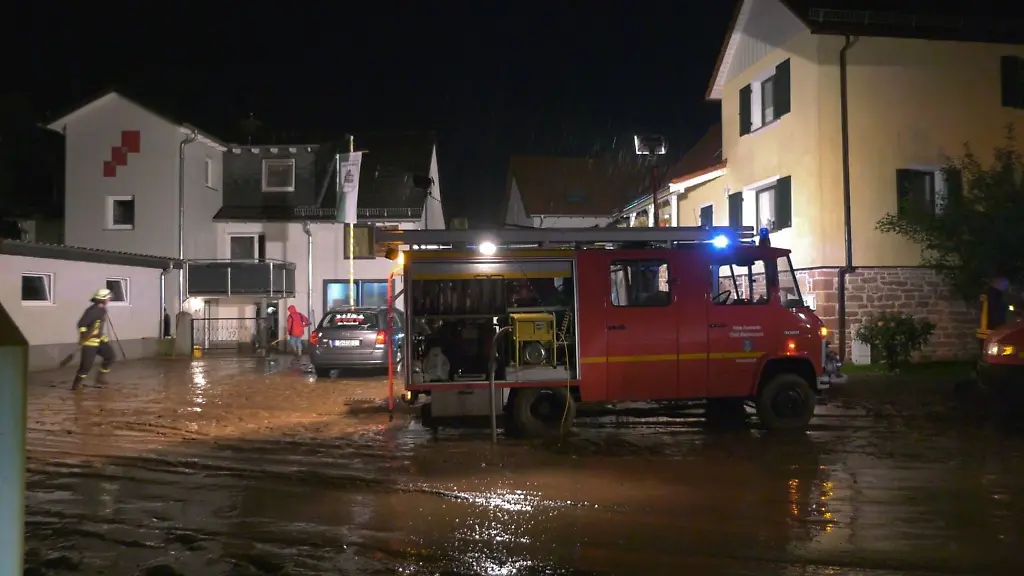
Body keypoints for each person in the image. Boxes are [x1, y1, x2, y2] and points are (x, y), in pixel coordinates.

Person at [72, 288, 116, 390]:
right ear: (103, 299)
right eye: (108, 298)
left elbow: (97, 326)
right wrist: (84, 334)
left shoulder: (102, 309)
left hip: (99, 340)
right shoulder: (92, 311)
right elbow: (81, 324)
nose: (109, 300)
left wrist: (101, 336)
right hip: (89, 342)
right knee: (86, 366)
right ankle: (76, 385)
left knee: (110, 356)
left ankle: (100, 378)